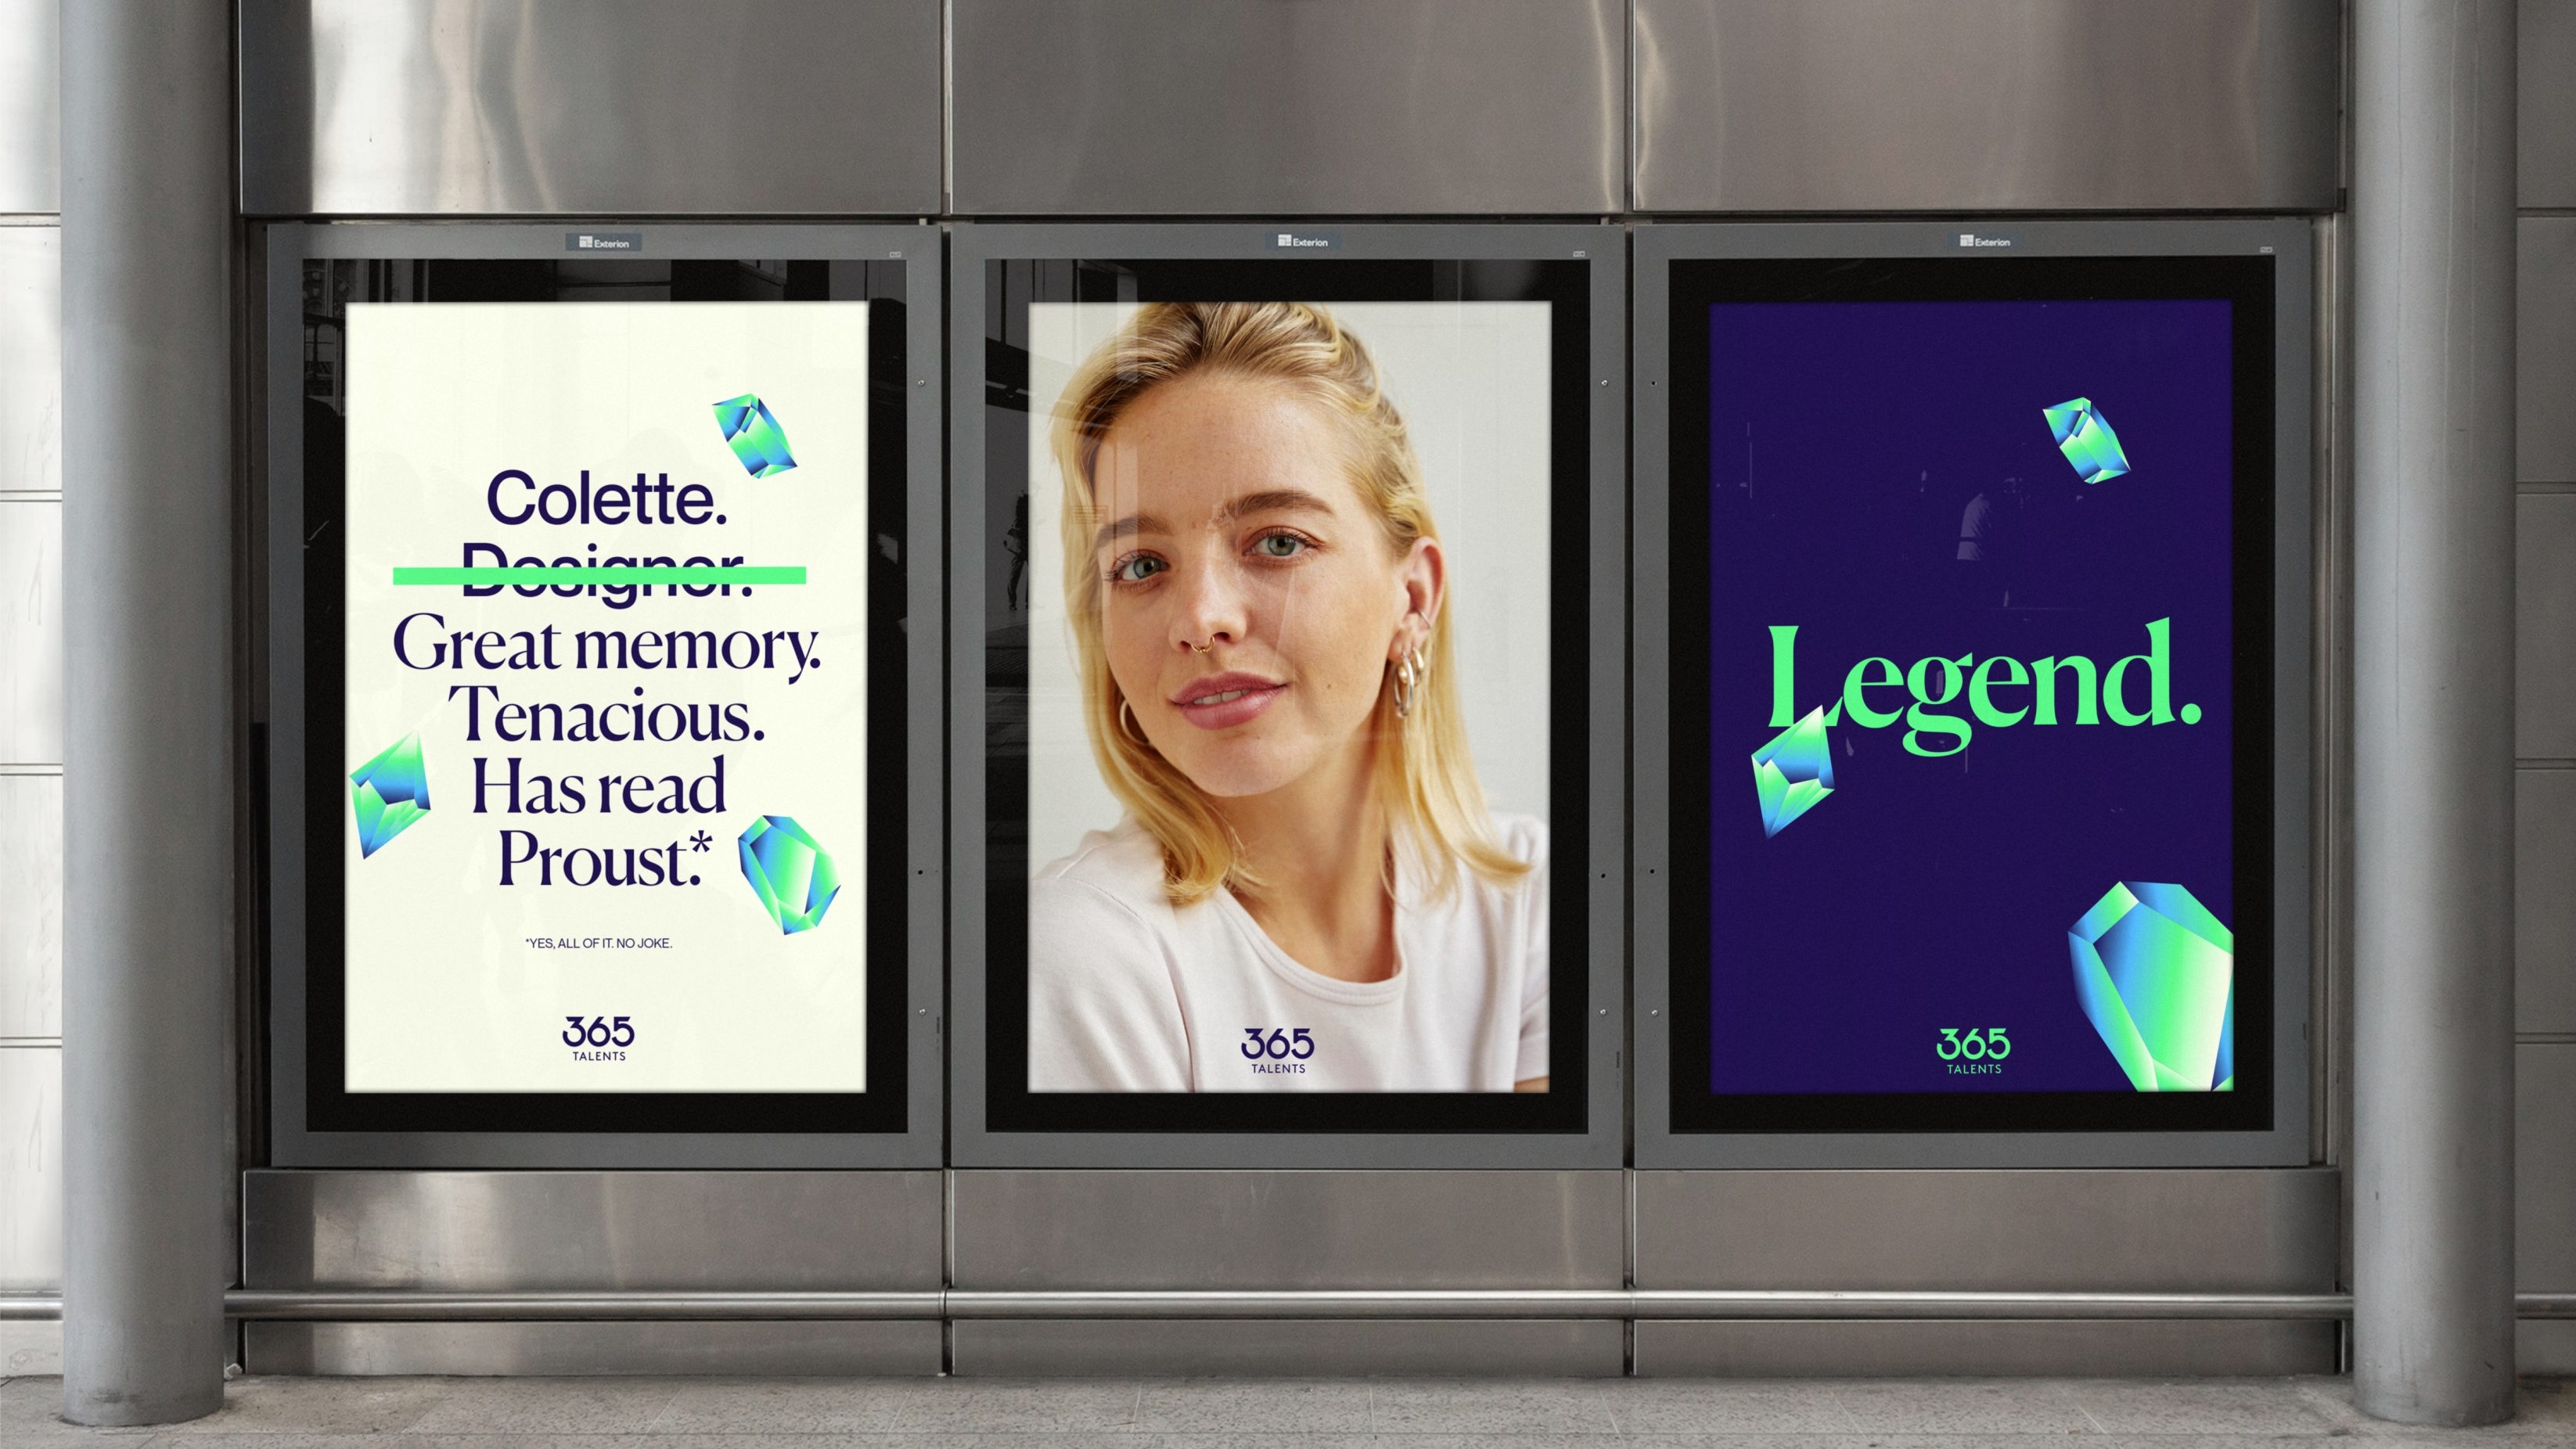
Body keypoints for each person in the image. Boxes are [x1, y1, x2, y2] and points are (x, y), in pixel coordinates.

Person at [1027, 302, 1549, 1093]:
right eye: (1140, 566)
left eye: (1277, 542)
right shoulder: (1083, 952)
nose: (1202, 619)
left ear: (1412, 598)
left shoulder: (1532, 893)